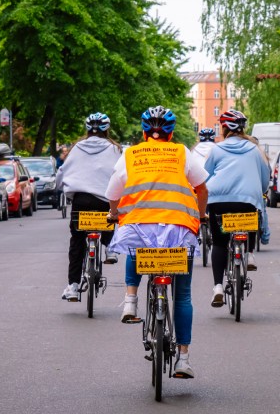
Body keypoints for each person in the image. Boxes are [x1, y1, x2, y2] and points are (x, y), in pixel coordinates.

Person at [105, 106, 208, 379]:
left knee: (135, 243)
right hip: (178, 229)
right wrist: (201, 214)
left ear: (143, 132)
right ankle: (183, 359)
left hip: (142, 227)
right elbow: (202, 187)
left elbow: (113, 191)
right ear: (171, 134)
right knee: (183, 295)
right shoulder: (181, 152)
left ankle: (130, 300)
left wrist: (114, 214)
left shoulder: (131, 154)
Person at [204, 110, 270, 307]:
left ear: (224, 129)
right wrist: (261, 190)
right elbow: (265, 178)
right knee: (249, 220)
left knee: (219, 242)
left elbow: (205, 176)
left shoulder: (216, 150)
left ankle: (217, 287)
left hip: (219, 201)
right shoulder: (254, 149)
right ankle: (248, 253)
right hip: (247, 200)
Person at [55, 113, 122, 301]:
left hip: (81, 200)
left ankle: (73, 286)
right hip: (104, 200)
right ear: (107, 130)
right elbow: (121, 174)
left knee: (77, 240)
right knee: (111, 214)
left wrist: (60, 188)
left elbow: (62, 171)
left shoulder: (76, 148)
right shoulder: (115, 149)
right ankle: (110, 248)